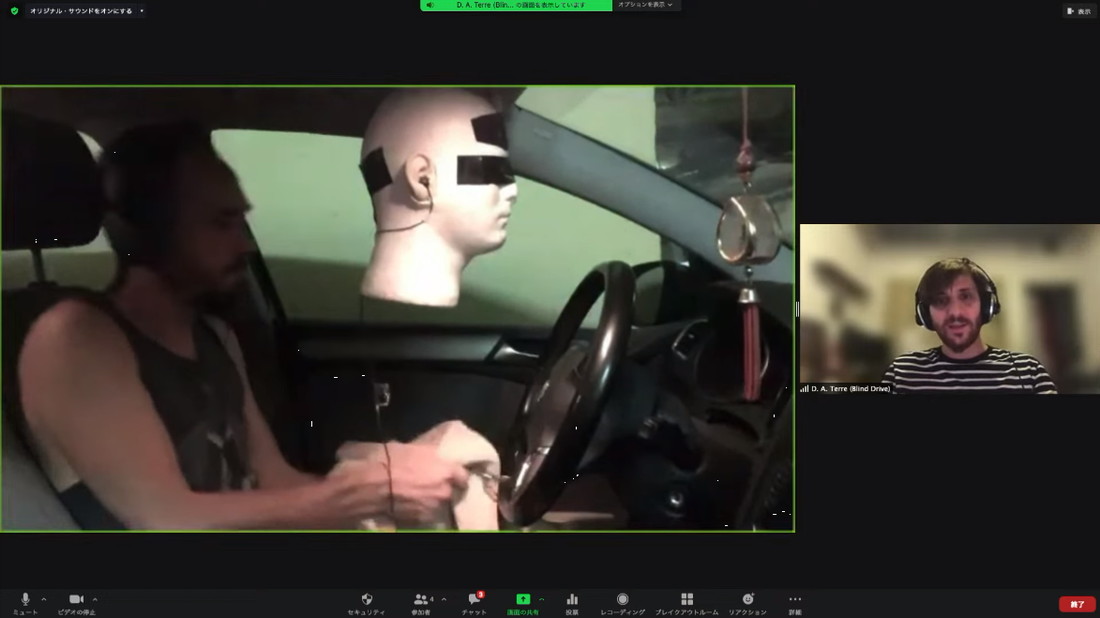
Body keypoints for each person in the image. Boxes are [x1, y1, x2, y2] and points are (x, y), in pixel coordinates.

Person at [16, 122, 470, 529]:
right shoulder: (75, 338)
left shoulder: (214, 335)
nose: (244, 245)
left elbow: (275, 481)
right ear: (150, 228)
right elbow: (167, 520)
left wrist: (386, 496)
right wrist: (358, 496)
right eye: (222, 223)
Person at [882, 258, 1057, 394]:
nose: (955, 313)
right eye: (941, 301)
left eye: (966, 297)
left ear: (987, 306)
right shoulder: (902, 372)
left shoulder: (1028, 371)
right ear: (925, 314)